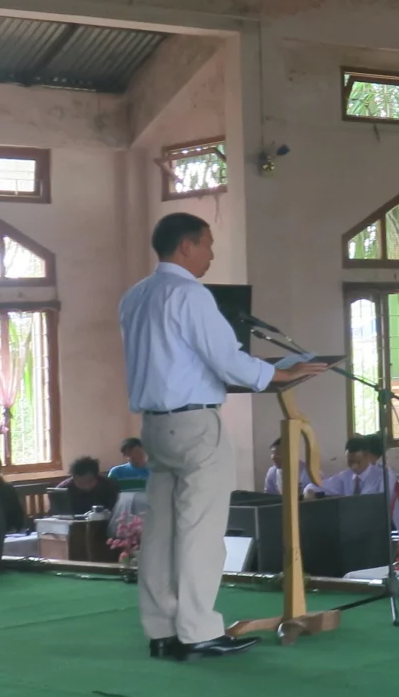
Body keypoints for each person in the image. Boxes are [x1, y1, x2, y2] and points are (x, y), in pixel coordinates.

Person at [120, 212, 328, 659]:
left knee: (159, 533)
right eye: (208, 245)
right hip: (195, 423)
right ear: (186, 247)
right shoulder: (188, 294)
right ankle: (197, 631)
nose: (212, 255)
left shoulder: (136, 295)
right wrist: (277, 373)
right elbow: (225, 357)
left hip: (154, 425)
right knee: (200, 530)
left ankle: (161, 632)